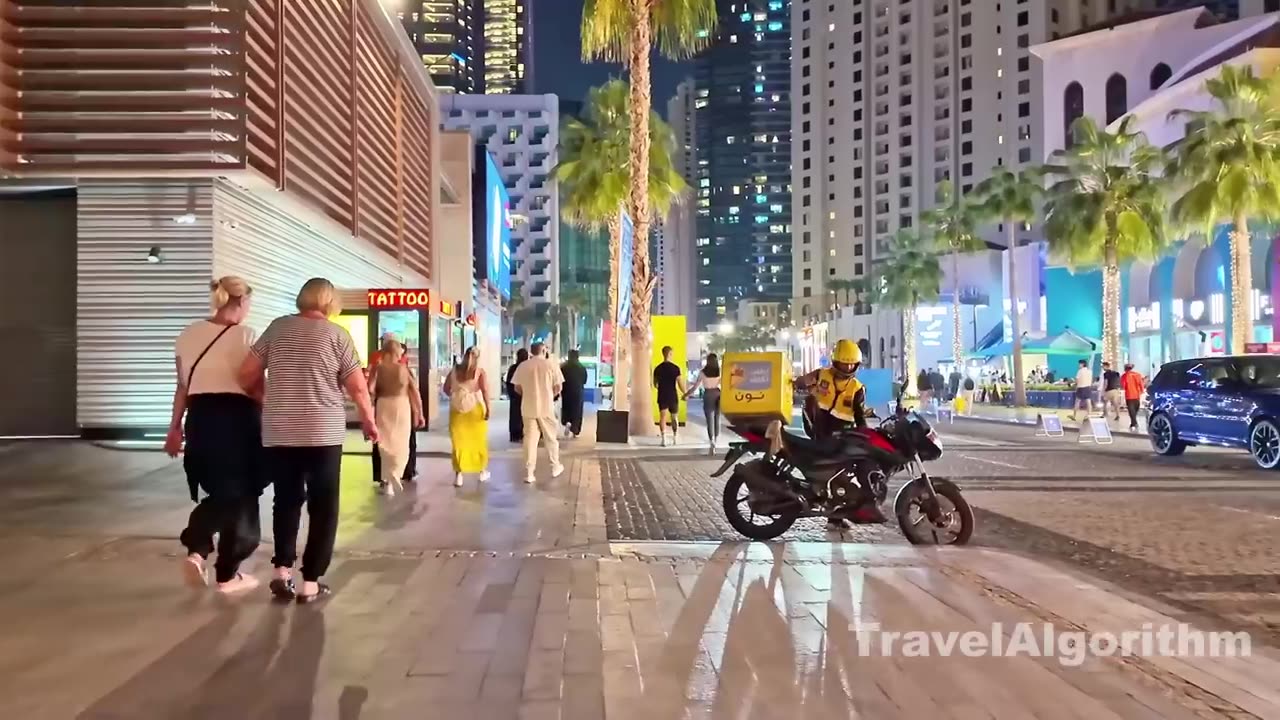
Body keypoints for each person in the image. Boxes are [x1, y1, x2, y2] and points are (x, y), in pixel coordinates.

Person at [239, 277, 378, 604]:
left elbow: (246, 374)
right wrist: (369, 421)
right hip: (322, 433)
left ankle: (281, 570)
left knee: (286, 500)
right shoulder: (337, 335)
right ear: (330, 302)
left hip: (280, 431)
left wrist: (268, 399)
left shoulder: (277, 329)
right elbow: (357, 387)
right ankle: (311, 581)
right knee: (324, 505)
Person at [166, 276, 262, 594]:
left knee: (222, 491)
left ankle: (204, 557)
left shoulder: (188, 334)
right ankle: (217, 564)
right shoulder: (248, 335)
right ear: (242, 302)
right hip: (238, 420)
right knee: (240, 491)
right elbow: (255, 386)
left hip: (200, 419)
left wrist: (175, 427)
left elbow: (183, 386)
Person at [794, 339, 885, 526]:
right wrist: (801, 384)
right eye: (845, 363)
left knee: (840, 472)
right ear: (836, 362)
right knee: (838, 469)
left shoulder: (857, 388)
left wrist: (866, 436)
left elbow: (859, 416)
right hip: (820, 430)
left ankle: (835, 515)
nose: (848, 367)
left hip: (843, 434)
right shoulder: (821, 375)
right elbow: (802, 381)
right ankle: (837, 513)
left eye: (852, 363)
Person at [369, 337, 425, 496]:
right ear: (397, 353)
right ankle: (396, 474)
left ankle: (387, 482)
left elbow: (370, 389)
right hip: (401, 406)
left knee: (385, 442)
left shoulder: (377, 368)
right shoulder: (404, 369)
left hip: (383, 406)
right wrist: (419, 413)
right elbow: (415, 393)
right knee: (401, 443)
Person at [512, 342, 565, 483]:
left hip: (528, 407)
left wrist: (528, 394)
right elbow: (558, 387)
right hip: (546, 407)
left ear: (531, 352)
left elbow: (516, 387)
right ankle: (555, 466)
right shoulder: (551, 365)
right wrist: (549, 395)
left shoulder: (523, 366)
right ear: (543, 350)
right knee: (550, 438)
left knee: (530, 440)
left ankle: (529, 473)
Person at [445, 346, 491, 487]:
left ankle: (459, 475)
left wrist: (457, 395)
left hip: (457, 411)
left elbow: (446, 389)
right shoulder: (479, 372)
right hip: (475, 410)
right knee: (478, 441)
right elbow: (485, 391)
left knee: (458, 443)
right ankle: (482, 471)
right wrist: (488, 408)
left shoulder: (454, 371)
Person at [685, 353, 723, 451]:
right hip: (718, 394)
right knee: (717, 418)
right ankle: (717, 439)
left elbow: (695, 386)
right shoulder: (720, 372)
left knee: (709, 419)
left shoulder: (702, 372)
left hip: (708, 395)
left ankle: (712, 441)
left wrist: (687, 394)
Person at [653, 346, 686, 446]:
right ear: (670, 353)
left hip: (662, 394)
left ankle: (664, 439)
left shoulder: (657, 369)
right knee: (674, 417)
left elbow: (655, 384)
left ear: (663, 354)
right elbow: (680, 383)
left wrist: (661, 387)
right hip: (672, 394)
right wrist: (685, 393)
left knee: (662, 417)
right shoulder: (675, 368)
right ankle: (675, 437)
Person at [560, 349, 588, 438]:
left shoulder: (563, 367)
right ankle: (575, 430)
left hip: (566, 391)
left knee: (566, 408)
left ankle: (567, 421)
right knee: (577, 411)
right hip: (578, 392)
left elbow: (560, 379)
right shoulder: (581, 367)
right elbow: (584, 381)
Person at [505, 348, 529, 443]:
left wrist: (511, 394)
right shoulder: (527, 368)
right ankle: (523, 433)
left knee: (515, 415)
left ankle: (514, 435)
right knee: (525, 415)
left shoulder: (513, 368)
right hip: (526, 395)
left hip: (514, 396)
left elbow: (508, 382)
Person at [1122, 363, 1146, 432]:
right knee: (1135, 409)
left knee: (1131, 410)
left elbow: (1123, 385)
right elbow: (1141, 384)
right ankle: (1134, 423)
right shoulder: (1137, 375)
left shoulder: (1124, 376)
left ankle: (1134, 423)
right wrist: (1141, 391)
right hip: (1137, 395)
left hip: (1129, 396)